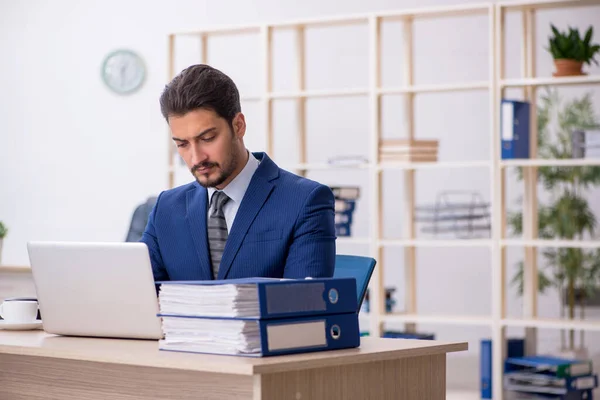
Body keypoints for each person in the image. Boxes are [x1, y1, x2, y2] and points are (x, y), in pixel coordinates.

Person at [141, 64, 336, 282]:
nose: (196, 158)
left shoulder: (305, 201)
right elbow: (140, 297)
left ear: (238, 126)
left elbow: (305, 306)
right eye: (182, 144)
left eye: (207, 139)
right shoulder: (165, 208)